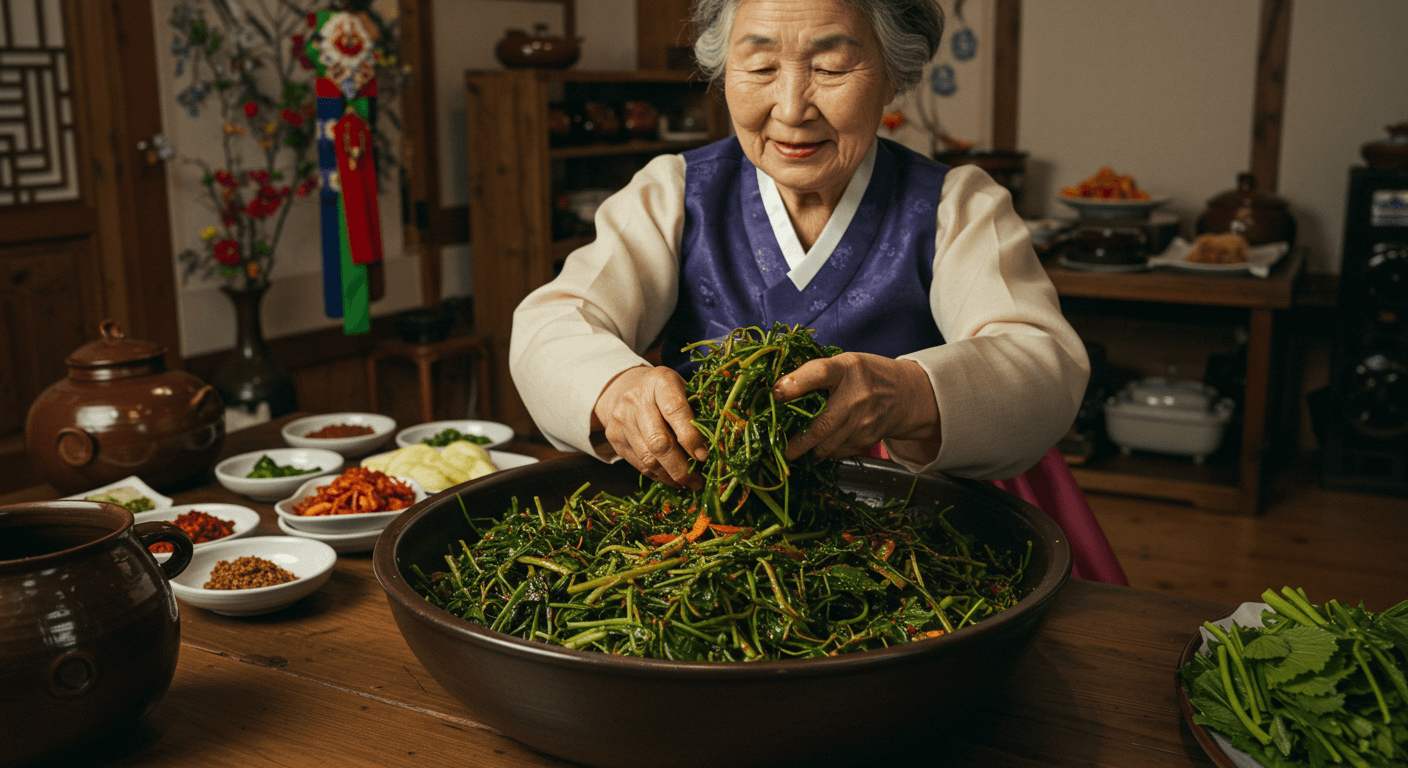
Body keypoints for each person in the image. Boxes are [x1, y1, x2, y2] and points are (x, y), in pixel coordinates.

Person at [510, 0, 1126, 584]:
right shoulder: (673, 193)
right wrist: (616, 388)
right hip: (716, 536)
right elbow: (553, 323)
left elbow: (1042, 362)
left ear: (893, 75)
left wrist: (909, 393)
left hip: (908, 544)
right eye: (759, 67)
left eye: (831, 68)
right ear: (725, 74)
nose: (791, 107)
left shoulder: (957, 204)